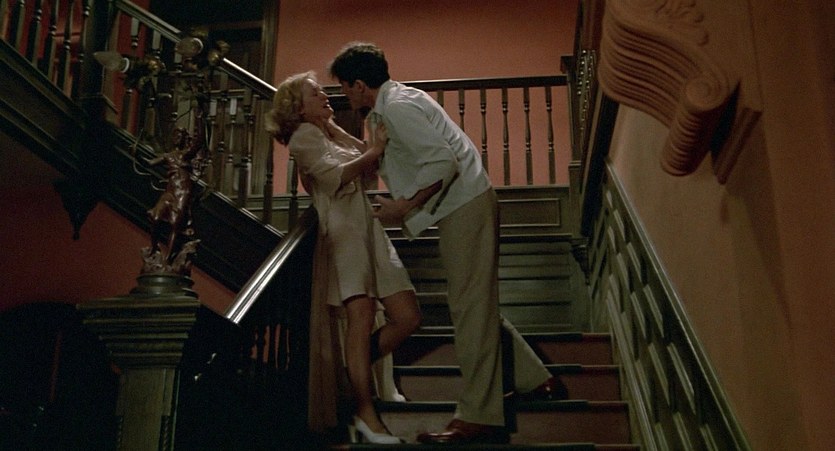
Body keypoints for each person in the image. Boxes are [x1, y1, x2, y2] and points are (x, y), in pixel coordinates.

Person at [329, 42, 567, 445]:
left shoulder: (397, 107)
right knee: (474, 303)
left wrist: (403, 206)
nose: (344, 95)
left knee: (470, 307)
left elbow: (443, 161)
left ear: (359, 84)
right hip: (461, 205)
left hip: (465, 204)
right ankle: (534, 379)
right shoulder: (390, 107)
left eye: (345, 87)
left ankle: (480, 415)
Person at [265, 72, 421, 444]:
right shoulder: (303, 136)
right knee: (361, 318)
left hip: (368, 229)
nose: (324, 94)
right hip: (344, 233)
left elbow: (370, 162)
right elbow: (335, 177)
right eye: (315, 92)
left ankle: (351, 374)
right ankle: (365, 414)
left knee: (408, 316)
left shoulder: (329, 132)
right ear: (298, 107)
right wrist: (373, 151)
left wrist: (354, 139)